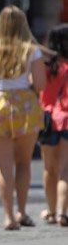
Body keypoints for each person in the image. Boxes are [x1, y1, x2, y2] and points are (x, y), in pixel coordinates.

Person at [0, 5, 45, 231]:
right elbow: (40, 83)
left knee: (4, 166)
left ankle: (8, 216)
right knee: (23, 163)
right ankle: (22, 211)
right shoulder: (31, 49)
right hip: (24, 106)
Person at [38, 23, 68, 227]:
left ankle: (50, 211)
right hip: (67, 118)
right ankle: (63, 214)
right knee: (66, 169)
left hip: (47, 119)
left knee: (49, 169)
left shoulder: (45, 66)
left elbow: (36, 87)